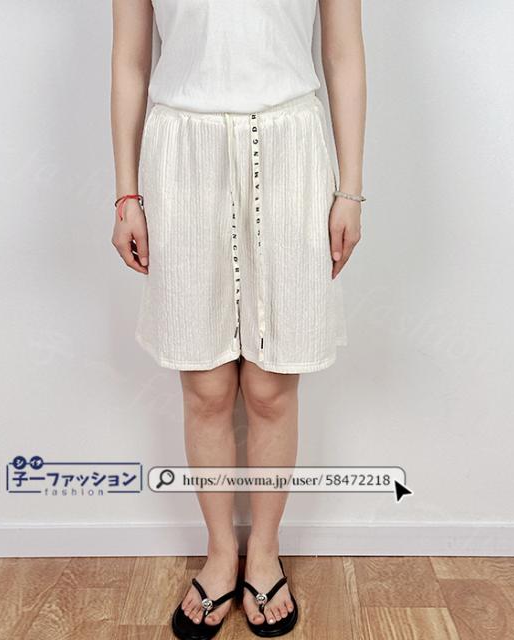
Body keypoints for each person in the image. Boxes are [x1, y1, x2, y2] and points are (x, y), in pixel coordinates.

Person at [111, 1, 366, 637]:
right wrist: (126, 194)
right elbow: (130, 61)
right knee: (205, 386)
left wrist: (350, 189)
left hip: (292, 148)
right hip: (181, 153)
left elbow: (342, 54)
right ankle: (221, 551)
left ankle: (267, 550)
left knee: (271, 385)